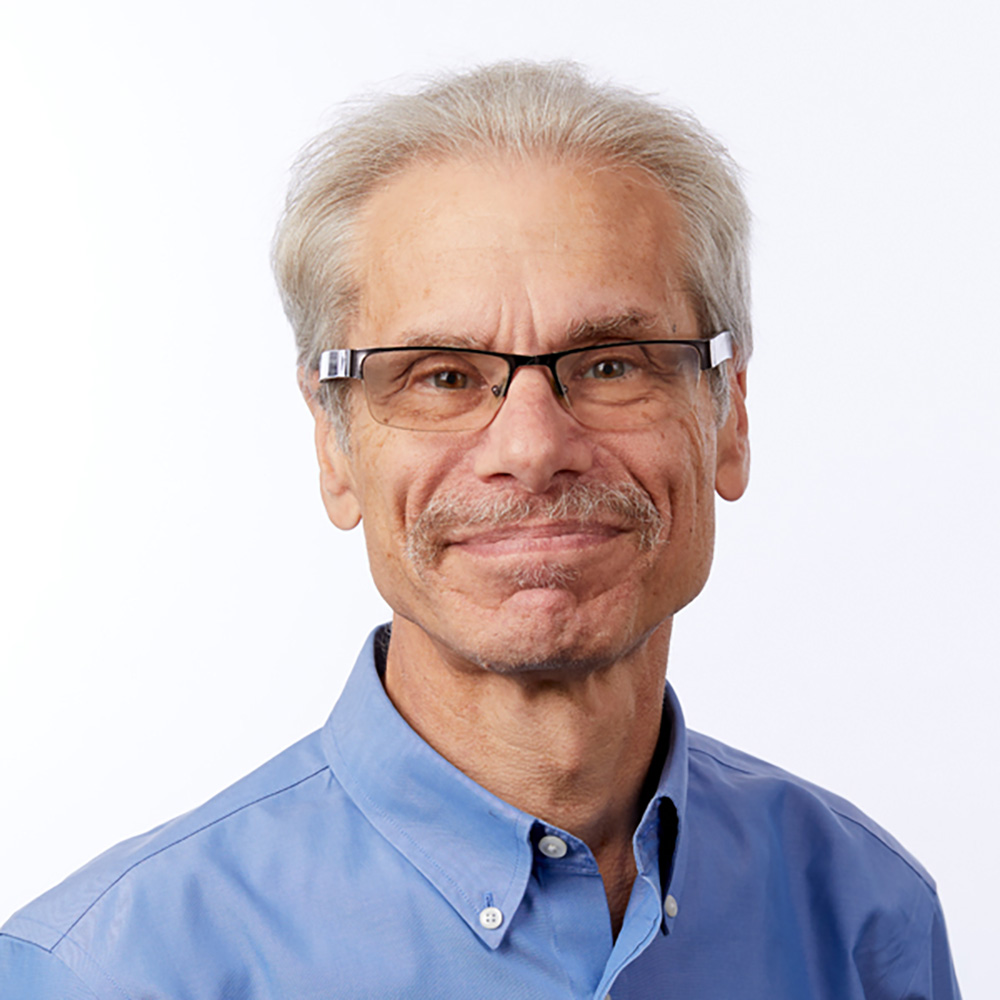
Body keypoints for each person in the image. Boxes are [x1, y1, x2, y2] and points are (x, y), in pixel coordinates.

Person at [0, 61, 961, 999]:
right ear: (335, 449)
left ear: (730, 416)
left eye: (613, 364)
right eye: (442, 377)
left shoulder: (867, 921)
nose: (534, 447)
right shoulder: (107, 973)